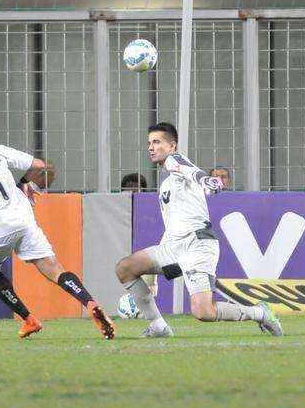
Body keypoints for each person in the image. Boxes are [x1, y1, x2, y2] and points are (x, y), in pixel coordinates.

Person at [0, 119, 115, 340]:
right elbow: (39, 166)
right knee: (53, 268)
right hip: (23, 220)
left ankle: (29, 320)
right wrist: (28, 183)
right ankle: (90, 303)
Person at [115, 122, 282, 338]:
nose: (151, 147)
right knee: (126, 268)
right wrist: (151, 276)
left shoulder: (175, 162)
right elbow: (175, 225)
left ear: (172, 146)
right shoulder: (166, 184)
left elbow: (191, 170)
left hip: (197, 245)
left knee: (203, 312)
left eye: (157, 142)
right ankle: (158, 327)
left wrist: (205, 180)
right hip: (174, 246)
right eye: (149, 143)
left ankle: (260, 312)